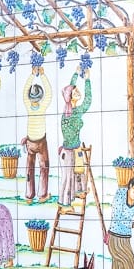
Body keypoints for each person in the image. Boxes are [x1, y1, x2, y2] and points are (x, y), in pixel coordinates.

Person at [59, 69, 92, 211]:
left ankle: (80, 191)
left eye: (78, 91)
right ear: (70, 97)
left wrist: (85, 79)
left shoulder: (76, 110)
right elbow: (69, 134)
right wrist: (78, 77)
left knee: (79, 172)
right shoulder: (68, 114)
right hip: (68, 150)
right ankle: (65, 204)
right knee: (68, 178)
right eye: (75, 92)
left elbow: (88, 100)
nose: (78, 93)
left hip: (75, 147)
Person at [21, 66, 53, 204]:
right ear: (40, 97)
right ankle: (42, 195)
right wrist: (43, 75)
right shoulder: (43, 105)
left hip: (30, 142)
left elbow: (24, 92)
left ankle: (29, 195)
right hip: (41, 141)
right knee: (44, 167)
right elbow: (50, 93)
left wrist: (32, 75)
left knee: (29, 168)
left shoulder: (28, 105)